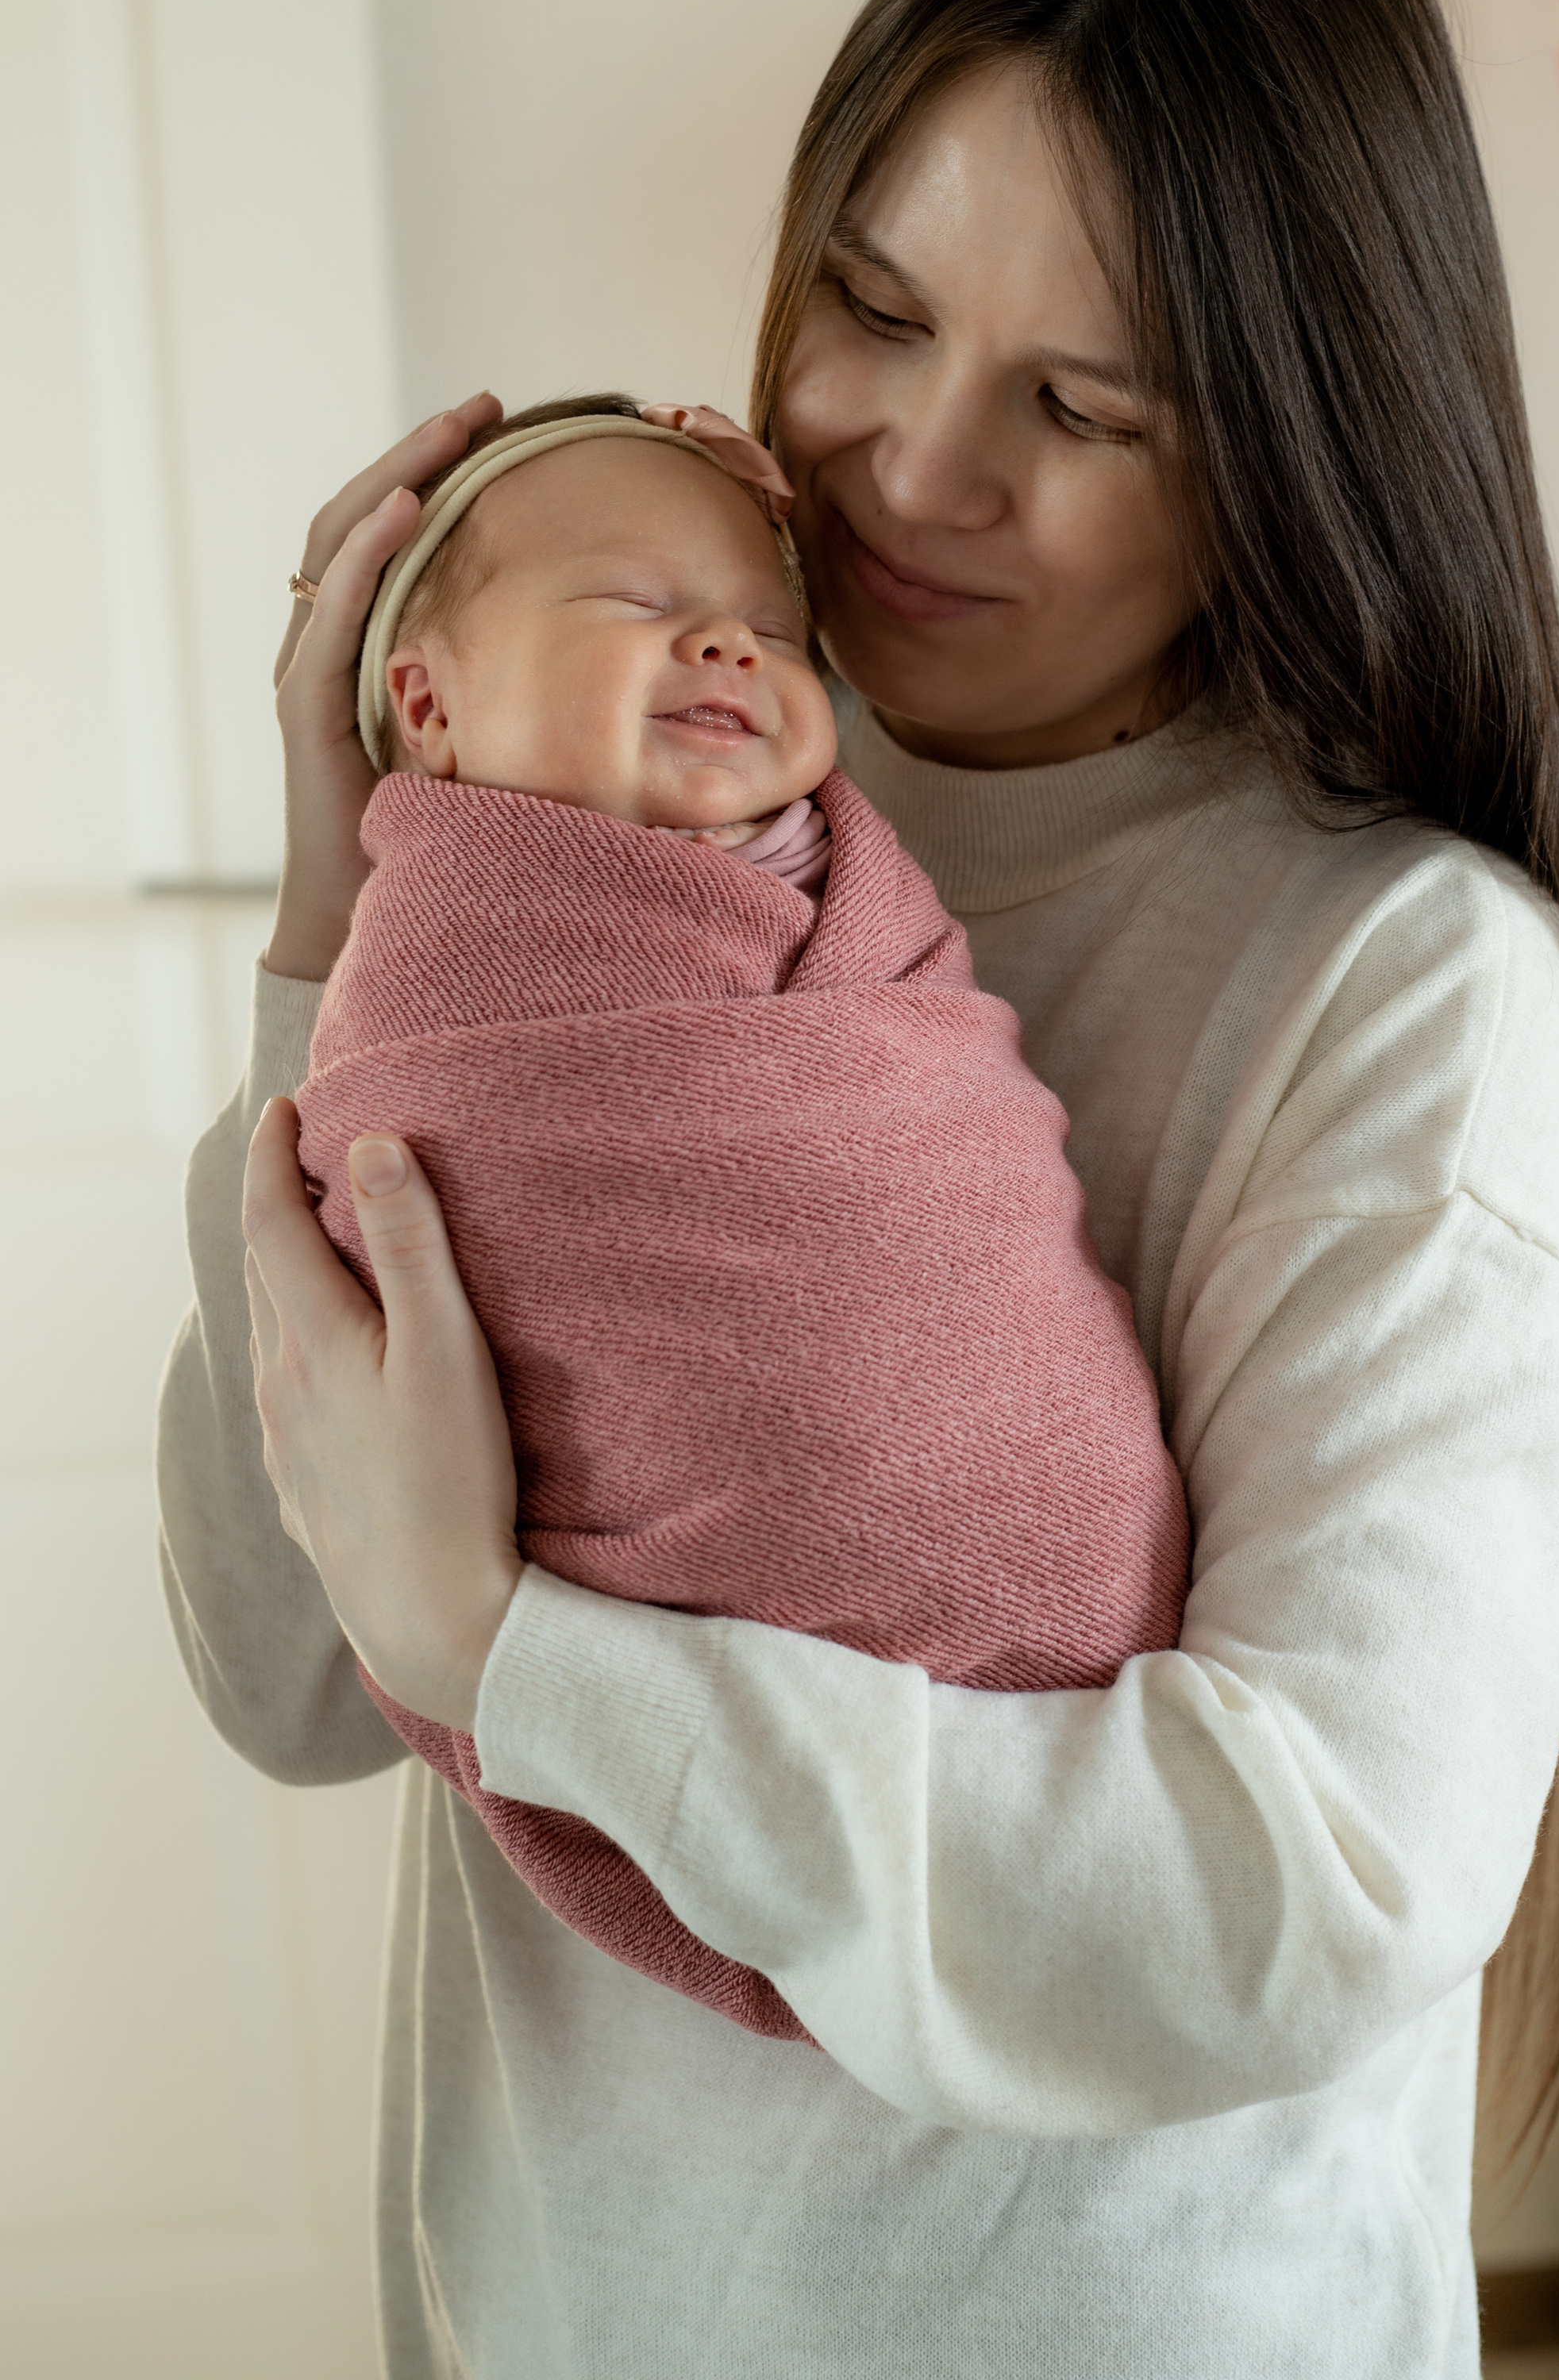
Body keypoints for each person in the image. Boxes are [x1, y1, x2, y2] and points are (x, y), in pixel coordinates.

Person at [157, 0, 1559, 2379]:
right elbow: (287, 1674)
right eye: (868, 310)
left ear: (1285, 460)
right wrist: (345, 928)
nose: (902, 469)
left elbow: (1292, 1890)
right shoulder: (607, 811)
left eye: (1080, 408)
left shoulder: (1393, 996)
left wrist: (525, 1657)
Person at [295, 387, 1186, 2037]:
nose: (726, 648)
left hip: (1068, 1725)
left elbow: (928, 1142)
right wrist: (310, 923)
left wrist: (482, 1636)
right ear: (425, 701)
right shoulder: (433, 977)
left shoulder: (850, 883)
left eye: (775, 632)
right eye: (640, 606)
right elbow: (285, 1659)